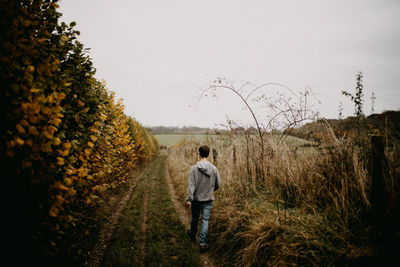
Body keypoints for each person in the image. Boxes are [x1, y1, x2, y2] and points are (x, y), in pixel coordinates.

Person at [186, 145, 221, 252]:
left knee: (195, 218)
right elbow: (218, 184)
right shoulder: (214, 169)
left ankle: (192, 235)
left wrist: (189, 199)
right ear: (208, 154)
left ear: (199, 153)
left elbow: (191, 185)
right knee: (205, 220)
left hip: (196, 199)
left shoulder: (194, 169)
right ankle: (202, 243)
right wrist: (211, 190)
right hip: (208, 199)